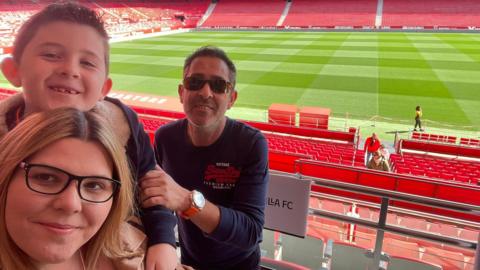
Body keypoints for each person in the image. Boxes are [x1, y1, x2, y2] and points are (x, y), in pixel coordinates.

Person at [0, 3, 177, 269]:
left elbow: (151, 184)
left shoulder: (123, 123)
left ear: (103, 88)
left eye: (87, 62)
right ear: (13, 70)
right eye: (51, 54)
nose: (70, 69)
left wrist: (163, 240)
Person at [140, 46, 269, 270]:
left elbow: (250, 232)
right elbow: (157, 199)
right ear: (182, 92)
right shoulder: (165, 137)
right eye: (195, 82)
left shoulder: (251, 144)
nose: (206, 92)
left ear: (231, 98)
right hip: (189, 262)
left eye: (219, 85)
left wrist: (187, 201)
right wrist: (165, 245)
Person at [0, 108, 144, 269]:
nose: (71, 204)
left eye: (94, 185)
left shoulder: (136, 253)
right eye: (46, 177)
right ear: (5, 177)